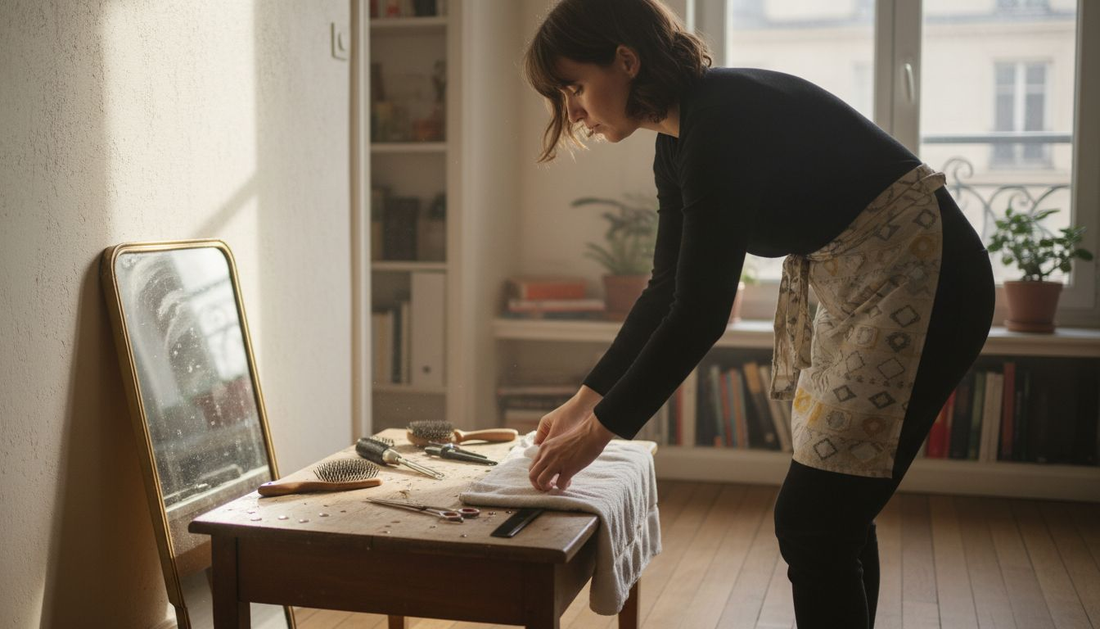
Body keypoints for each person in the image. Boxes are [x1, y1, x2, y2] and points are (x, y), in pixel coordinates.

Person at [522, 0, 994, 626]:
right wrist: (580, 403)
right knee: (835, 518)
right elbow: (665, 291)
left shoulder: (722, 118)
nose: (574, 111)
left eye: (576, 86)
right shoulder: (677, 139)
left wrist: (600, 433)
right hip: (865, 285)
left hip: (926, 275)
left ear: (626, 61)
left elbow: (700, 313)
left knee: (815, 519)